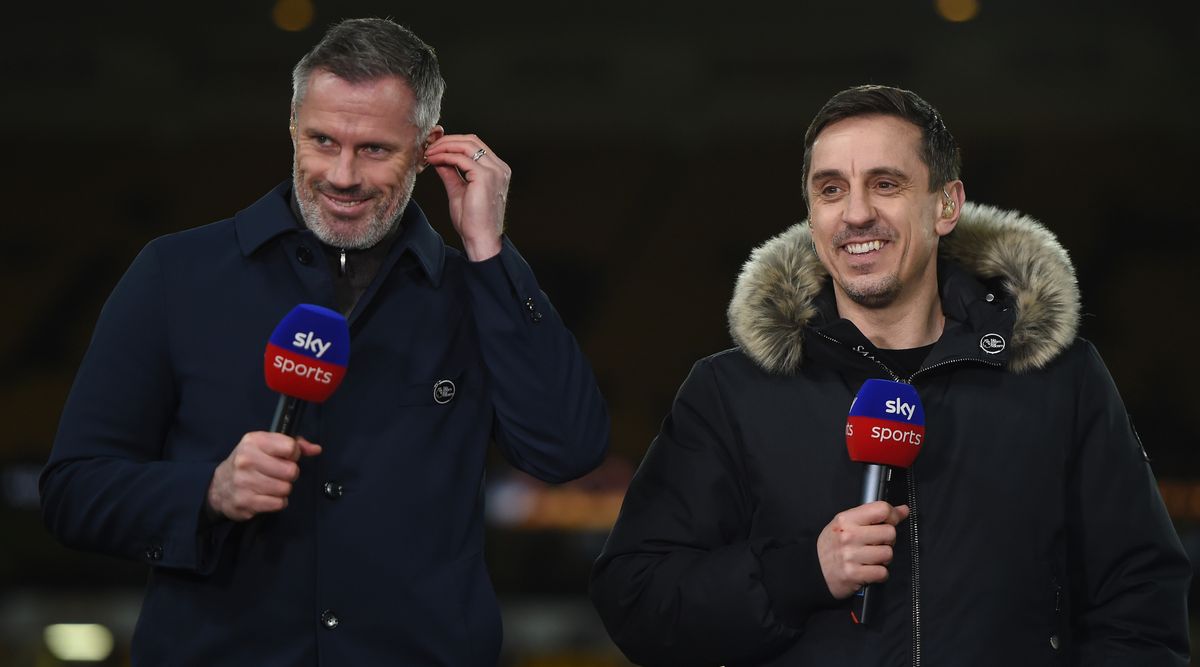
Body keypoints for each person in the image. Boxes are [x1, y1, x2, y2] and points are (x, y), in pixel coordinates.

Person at [40, 18, 609, 665]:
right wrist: (209, 491)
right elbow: (74, 491)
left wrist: (488, 250)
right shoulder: (175, 273)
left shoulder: (472, 292)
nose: (341, 174)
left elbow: (568, 449)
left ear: (428, 147)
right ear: (291, 126)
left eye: (374, 149)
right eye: (322, 140)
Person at [589, 85, 1189, 665]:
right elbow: (636, 597)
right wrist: (801, 572)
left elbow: (1140, 599)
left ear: (946, 205)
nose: (856, 214)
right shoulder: (731, 392)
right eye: (831, 190)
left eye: (886, 184)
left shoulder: (1061, 378)